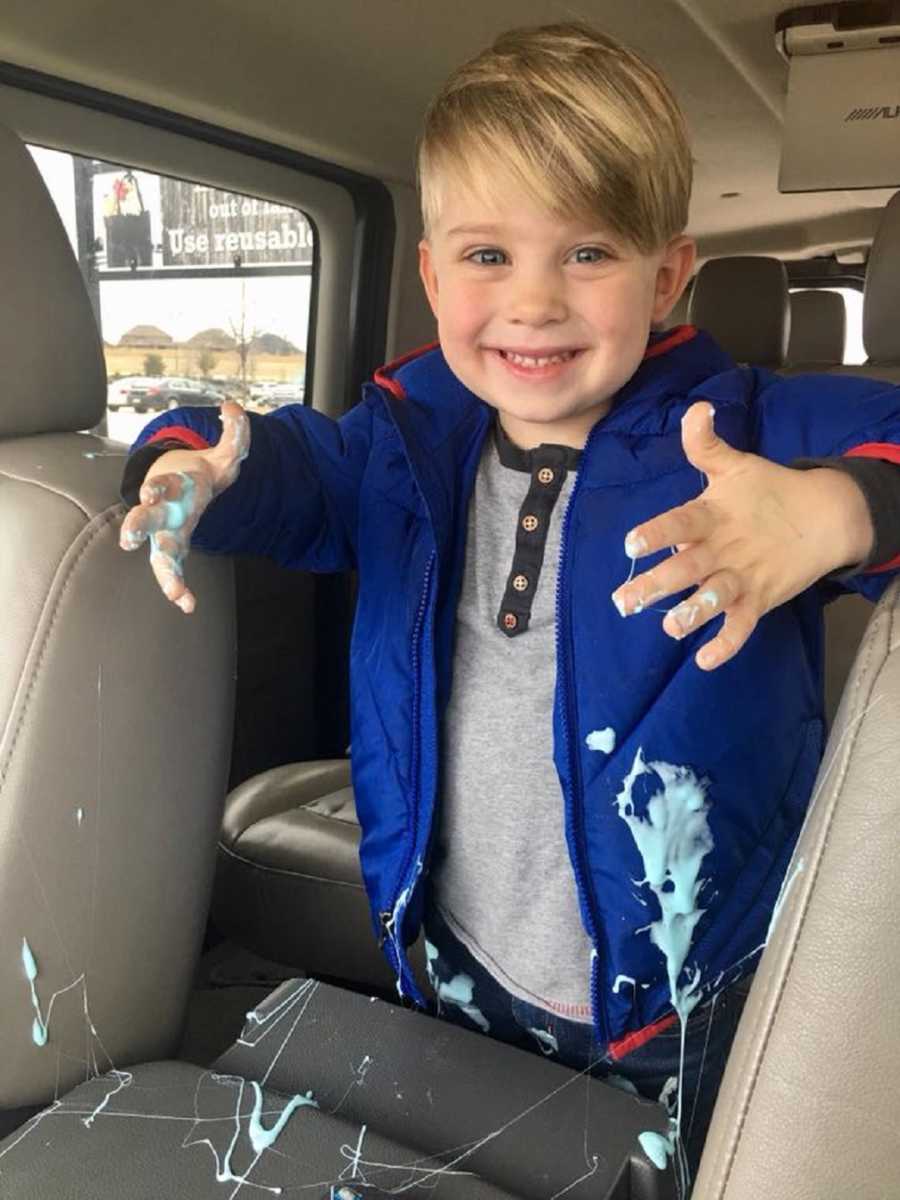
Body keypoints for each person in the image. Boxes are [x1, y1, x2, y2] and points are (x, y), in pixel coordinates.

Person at [118, 21, 900, 1185]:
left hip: (677, 993)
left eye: (587, 253)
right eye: (488, 256)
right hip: (448, 951)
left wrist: (834, 514)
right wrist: (183, 467)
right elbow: (272, 469)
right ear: (432, 274)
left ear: (668, 275)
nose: (532, 302)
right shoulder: (400, 440)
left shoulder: (745, 434)